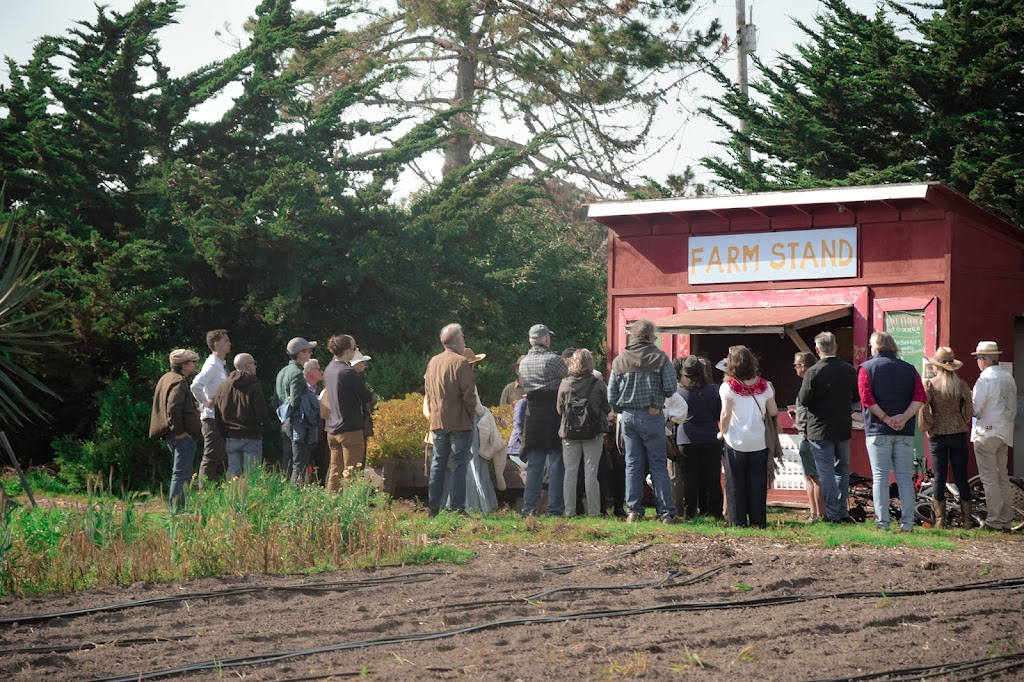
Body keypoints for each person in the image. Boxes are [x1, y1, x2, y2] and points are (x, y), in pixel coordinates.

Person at [607, 318, 679, 524]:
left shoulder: (620, 360)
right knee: (657, 464)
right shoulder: (660, 357)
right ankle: (665, 513)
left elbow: (611, 395)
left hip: (628, 417)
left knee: (632, 464)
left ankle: (634, 512)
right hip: (652, 414)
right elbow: (671, 388)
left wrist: (624, 409)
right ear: (649, 337)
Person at [858, 331, 926, 532]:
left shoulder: (866, 368)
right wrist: (903, 418)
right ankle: (907, 524)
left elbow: (866, 399)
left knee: (880, 477)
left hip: (878, 430)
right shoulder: (910, 369)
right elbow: (920, 397)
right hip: (904, 431)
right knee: (904, 477)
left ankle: (883, 523)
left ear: (875, 347)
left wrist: (886, 418)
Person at [798, 331, 859, 524]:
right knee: (842, 469)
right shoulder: (849, 369)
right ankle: (841, 511)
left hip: (819, 427)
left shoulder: (813, 372)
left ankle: (832, 513)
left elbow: (804, 399)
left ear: (817, 349)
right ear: (836, 347)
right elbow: (856, 398)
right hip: (842, 425)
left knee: (826, 472)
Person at [718, 345, 777, 528]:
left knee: (735, 483)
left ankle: (737, 521)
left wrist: (722, 431)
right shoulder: (765, 385)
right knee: (757, 483)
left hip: (735, 440)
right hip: (758, 440)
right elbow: (773, 410)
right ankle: (758, 521)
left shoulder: (728, 387)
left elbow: (726, 414)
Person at [424, 323, 477, 516]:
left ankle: (433, 508)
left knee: (438, 463)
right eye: (462, 336)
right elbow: (469, 396)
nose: (464, 340)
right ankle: (456, 507)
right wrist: (470, 416)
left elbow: (428, 392)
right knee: (459, 464)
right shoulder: (461, 362)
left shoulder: (433, 361)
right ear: (456, 340)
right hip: (460, 421)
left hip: (438, 421)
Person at [918, 347, 973, 528]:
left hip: (938, 435)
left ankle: (940, 521)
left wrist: (929, 426)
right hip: (958, 433)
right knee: (961, 476)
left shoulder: (930, 384)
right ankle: (966, 521)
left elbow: (923, 407)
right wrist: (963, 420)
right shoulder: (962, 384)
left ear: (937, 366)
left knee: (940, 477)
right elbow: (969, 409)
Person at [518, 323, 568, 517]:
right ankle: (554, 509)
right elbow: (570, 377)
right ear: (546, 339)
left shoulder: (523, 363)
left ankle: (528, 508)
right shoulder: (553, 360)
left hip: (532, 414)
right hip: (553, 413)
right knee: (556, 463)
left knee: (534, 465)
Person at [442, 348, 499, 513]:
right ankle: (476, 504)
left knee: (458, 462)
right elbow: (478, 407)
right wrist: (487, 413)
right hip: (468, 422)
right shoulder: (468, 380)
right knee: (472, 461)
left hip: (452, 422)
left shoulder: (449, 378)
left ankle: (452, 502)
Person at [971, 341, 1018, 532]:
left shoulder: (985, 379)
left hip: (987, 431)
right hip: (1004, 431)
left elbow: (976, 409)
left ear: (983, 360)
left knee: (989, 478)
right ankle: (1006, 520)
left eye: (978, 359)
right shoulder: (1008, 377)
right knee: (1002, 477)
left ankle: (994, 520)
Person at [557, 349, 610, 517]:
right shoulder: (598, 383)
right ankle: (594, 512)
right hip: (593, 432)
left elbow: (559, 410)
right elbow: (607, 407)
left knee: (570, 473)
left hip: (569, 433)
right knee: (591, 473)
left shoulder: (565, 383)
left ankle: (569, 511)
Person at [149, 349, 202, 511]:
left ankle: (179, 508)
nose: (194, 365)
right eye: (192, 362)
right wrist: (179, 431)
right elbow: (173, 408)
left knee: (181, 473)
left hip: (171, 434)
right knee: (181, 474)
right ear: (184, 365)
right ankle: (176, 510)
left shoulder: (166, 378)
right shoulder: (179, 381)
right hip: (180, 436)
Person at [323, 335, 375, 491]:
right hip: (350, 430)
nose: (355, 350)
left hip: (332, 429)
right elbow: (366, 396)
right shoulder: (348, 372)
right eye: (354, 348)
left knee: (335, 472)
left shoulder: (329, 369)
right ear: (347, 351)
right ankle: (350, 510)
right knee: (351, 473)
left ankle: (330, 508)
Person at [675, 355, 724, 519]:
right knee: (712, 478)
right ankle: (716, 512)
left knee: (690, 480)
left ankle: (690, 513)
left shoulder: (679, 392)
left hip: (687, 438)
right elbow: (719, 414)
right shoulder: (713, 390)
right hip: (710, 437)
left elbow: (674, 417)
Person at [214, 353, 268, 479]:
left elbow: (218, 414)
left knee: (233, 474)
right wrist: (262, 426)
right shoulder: (254, 385)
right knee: (252, 476)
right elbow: (262, 413)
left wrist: (224, 433)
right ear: (247, 366)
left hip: (231, 436)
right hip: (251, 436)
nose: (255, 366)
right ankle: (252, 499)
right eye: (253, 363)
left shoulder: (223, 387)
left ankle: (233, 498)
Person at [190, 329, 231, 489]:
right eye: (226, 341)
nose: (229, 343)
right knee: (211, 456)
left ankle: (214, 491)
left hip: (218, 418)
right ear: (216, 344)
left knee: (219, 456)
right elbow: (196, 385)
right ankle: (204, 492)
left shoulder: (220, 364)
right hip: (211, 418)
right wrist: (206, 403)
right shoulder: (213, 365)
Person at [275, 337, 317, 482]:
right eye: (309, 350)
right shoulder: (297, 373)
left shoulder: (282, 371)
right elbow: (295, 402)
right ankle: (295, 497)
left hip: (285, 422)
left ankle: (283, 494)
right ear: (300, 354)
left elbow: (275, 400)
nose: (311, 353)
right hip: (297, 424)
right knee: (299, 463)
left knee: (287, 462)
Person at [789, 352, 824, 521]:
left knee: (815, 476)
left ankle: (819, 513)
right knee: (809, 476)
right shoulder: (813, 382)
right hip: (808, 432)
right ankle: (814, 512)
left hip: (809, 434)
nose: (795, 369)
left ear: (803, 366)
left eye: (796, 365)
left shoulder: (809, 383)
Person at [303, 358, 328, 485]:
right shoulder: (301, 390)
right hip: (306, 435)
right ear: (310, 372)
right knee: (304, 467)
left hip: (321, 435)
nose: (322, 372)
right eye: (318, 369)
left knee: (322, 467)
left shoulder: (320, 391)